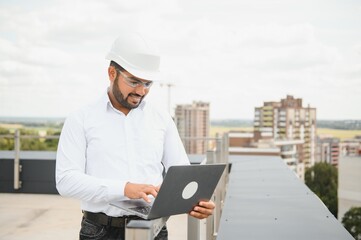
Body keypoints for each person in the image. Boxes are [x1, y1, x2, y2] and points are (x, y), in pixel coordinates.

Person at [55, 31, 215, 240]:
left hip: (153, 229)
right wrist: (124, 189)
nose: (141, 90)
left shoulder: (161, 119)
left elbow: (181, 173)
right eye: (133, 81)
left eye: (147, 83)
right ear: (112, 73)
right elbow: (66, 181)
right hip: (100, 231)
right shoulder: (80, 119)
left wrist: (195, 203)